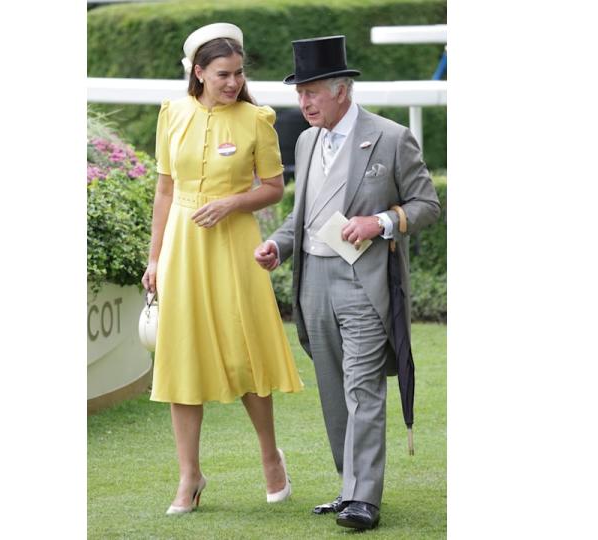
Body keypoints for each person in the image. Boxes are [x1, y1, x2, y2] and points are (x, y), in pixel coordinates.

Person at [254, 35, 441, 531]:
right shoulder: (306, 139)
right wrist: (277, 245)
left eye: (312, 91)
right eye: (299, 93)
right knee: (333, 387)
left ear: (342, 89)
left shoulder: (391, 137)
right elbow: (302, 216)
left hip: (364, 281)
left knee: (363, 385)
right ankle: (348, 486)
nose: (304, 102)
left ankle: (364, 497)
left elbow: (427, 206)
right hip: (312, 279)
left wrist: (379, 221)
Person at [142, 22, 304, 516]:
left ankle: (270, 457)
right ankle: (189, 476)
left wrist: (232, 204)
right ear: (198, 72)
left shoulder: (257, 119)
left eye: (237, 73)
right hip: (182, 249)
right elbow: (166, 190)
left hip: (236, 245)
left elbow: (274, 187)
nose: (232, 82)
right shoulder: (172, 114)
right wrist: (153, 258)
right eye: (221, 74)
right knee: (181, 358)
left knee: (246, 351)